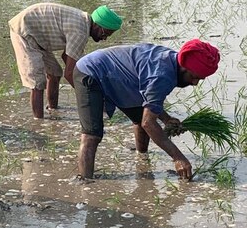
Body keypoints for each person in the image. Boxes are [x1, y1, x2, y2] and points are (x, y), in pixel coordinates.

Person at [73, 39, 220, 180]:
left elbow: (150, 105)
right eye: (194, 77)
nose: (195, 83)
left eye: (200, 79)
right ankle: (85, 183)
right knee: (92, 135)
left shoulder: (171, 60)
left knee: (140, 119)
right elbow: (148, 123)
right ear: (183, 67)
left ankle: (142, 157)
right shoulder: (162, 75)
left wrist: (166, 119)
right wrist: (178, 157)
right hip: (91, 72)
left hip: (121, 78)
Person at [8, 3, 123, 119]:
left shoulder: (83, 23)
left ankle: (53, 109)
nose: (105, 38)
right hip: (24, 32)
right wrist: (90, 96)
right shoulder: (80, 31)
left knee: (55, 73)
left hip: (39, 38)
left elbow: (66, 57)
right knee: (37, 82)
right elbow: (69, 74)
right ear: (98, 25)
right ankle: (39, 123)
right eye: (105, 33)